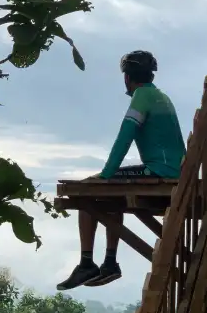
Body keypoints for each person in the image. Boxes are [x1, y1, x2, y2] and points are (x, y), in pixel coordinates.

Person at [57, 50, 186, 290]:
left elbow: (124, 138)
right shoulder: (160, 97)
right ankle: (109, 263)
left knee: (87, 190)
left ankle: (87, 262)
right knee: (111, 195)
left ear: (127, 77)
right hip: (173, 170)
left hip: (161, 171)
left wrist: (105, 175)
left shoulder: (142, 97)